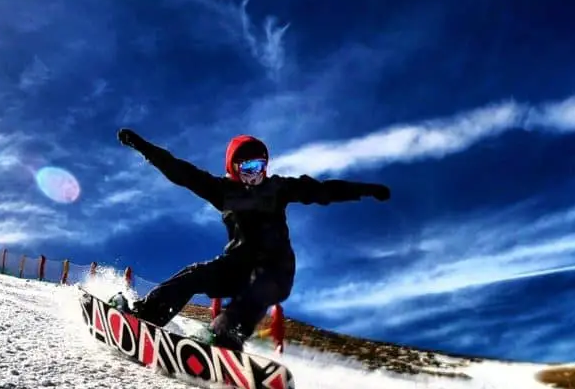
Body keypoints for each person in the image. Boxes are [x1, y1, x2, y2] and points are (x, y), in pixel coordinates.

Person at [109, 128, 391, 351]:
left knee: (260, 290)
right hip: (237, 265)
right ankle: (146, 315)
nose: (254, 175)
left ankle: (226, 336)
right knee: (195, 274)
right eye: (247, 167)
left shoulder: (279, 188)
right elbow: (182, 172)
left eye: (259, 166)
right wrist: (143, 146)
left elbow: (322, 191)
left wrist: (365, 189)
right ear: (233, 168)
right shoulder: (222, 191)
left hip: (275, 268)